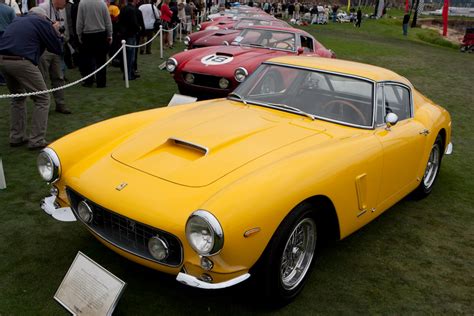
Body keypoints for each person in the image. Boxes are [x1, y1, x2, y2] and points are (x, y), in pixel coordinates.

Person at [0, 7, 62, 149]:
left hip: (3, 60)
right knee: (43, 98)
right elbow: (56, 48)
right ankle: (36, 140)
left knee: (17, 96)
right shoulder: (41, 22)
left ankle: (16, 137)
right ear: (44, 17)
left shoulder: (18, 20)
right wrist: (55, 31)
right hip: (21, 61)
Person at [38, 0, 72, 114]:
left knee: (58, 77)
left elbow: (63, 27)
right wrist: (52, 28)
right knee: (42, 78)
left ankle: (60, 104)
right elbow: (38, 28)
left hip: (57, 47)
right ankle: (42, 105)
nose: (66, 4)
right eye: (66, 1)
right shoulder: (42, 8)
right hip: (44, 49)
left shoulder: (61, 11)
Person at [76, 0, 112, 88]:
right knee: (101, 60)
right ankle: (101, 82)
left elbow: (79, 21)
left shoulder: (82, 3)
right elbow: (108, 21)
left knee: (88, 60)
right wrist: (110, 34)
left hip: (87, 35)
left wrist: (79, 34)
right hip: (101, 34)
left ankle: (89, 81)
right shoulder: (102, 3)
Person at [117, 0, 140, 80]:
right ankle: (128, 75)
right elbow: (134, 22)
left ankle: (128, 73)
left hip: (124, 34)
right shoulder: (132, 9)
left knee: (126, 55)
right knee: (130, 56)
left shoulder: (123, 9)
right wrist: (138, 28)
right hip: (131, 34)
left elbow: (119, 21)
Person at [0, 0, 15, 86]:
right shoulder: (9, 9)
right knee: (6, 58)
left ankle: (1, 78)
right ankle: (5, 78)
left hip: (4, 34)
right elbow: (14, 23)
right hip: (5, 35)